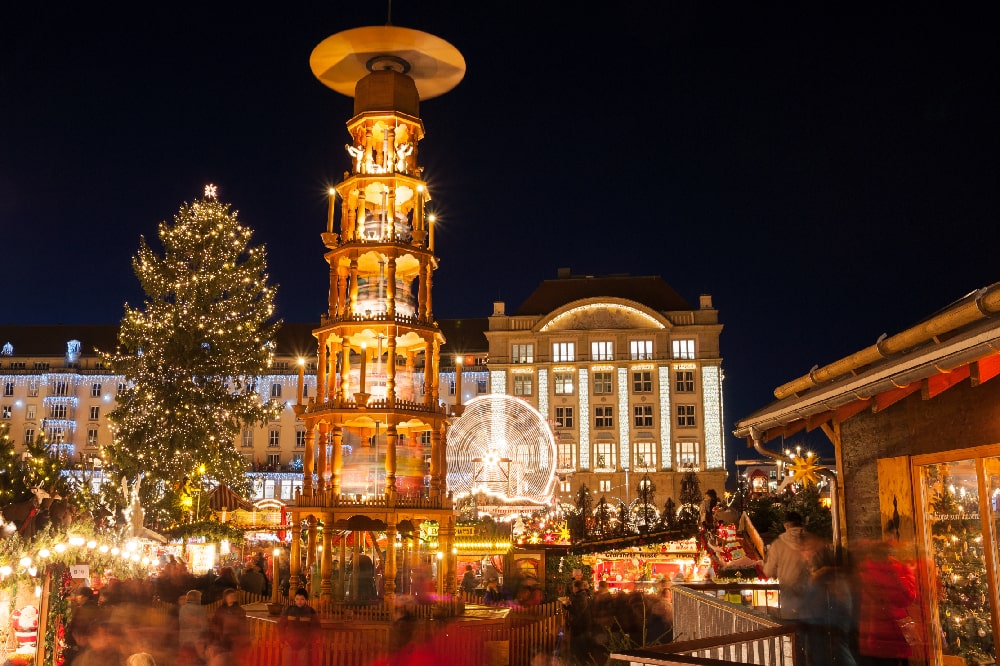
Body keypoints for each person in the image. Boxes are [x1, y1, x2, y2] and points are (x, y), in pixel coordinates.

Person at [762, 511, 826, 663]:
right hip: (814, 602)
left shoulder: (778, 544)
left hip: (790, 604)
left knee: (796, 644)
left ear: (787, 525)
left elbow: (768, 571)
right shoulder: (813, 541)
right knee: (815, 645)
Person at [855, 539, 919, 666]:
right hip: (891, 634)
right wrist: (907, 572)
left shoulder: (862, 572)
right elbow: (906, 598)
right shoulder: (892, 572)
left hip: (869, 634)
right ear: (889, 555)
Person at [278, 588, 322, 666]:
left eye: (302, 599)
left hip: (304, 645)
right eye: (297, 599)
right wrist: (283, 639)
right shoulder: (288, 610)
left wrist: (309, 641)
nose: (299, 601)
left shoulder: (311, 612)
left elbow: (316, 628)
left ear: (306, 600)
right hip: (289, 643)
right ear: (294, 599)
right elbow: (281, 625)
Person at [211, 588, 250, 662]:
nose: (232, 597)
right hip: (223, 639)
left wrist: (243, 638)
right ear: (225, 597)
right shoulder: (220, 610)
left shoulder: (239, 610)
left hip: (235, 640)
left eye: (233, 595)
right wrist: (217, 635)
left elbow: (243, 625)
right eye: (230, 595)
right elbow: (215, 623)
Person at [178, 589, 207, 657]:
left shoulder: (182, 608)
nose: (200, 599)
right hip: (197, 639)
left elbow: (181, 623)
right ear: (196, 598)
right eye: (200, 597)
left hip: (184, 638)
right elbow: (204, 625)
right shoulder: (200, 609)